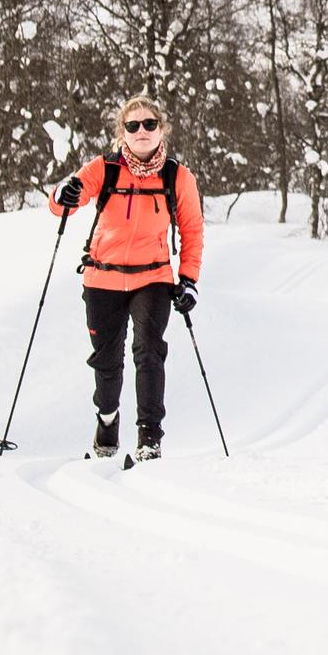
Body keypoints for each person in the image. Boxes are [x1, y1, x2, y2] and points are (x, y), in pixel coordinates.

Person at [52, 96, 204, 461]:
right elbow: (63, 203)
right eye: (133, 125)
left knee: (149, 352)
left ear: (161, 129)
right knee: (107, 361)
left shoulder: (177, 177)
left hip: (153, 277)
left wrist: (188, 280)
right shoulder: (104, 168)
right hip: (102, 278)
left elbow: (192, 230)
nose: (141, 131)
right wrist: (63, 194)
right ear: (123, 132)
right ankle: (107, 419)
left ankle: (149, 437)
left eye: (149, 124)